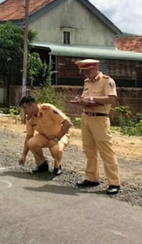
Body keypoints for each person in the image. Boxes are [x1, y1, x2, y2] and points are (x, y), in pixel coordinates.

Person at [72, 59, 121, 195]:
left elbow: (111, 99)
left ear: (95, 68)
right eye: (84, 72)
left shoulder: (107, 81)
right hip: (86, 117)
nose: (85, 74)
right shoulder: (87, 83)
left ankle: (114, 182)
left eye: (87, 71)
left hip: (100, 118)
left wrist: (92, 100)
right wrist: (81, 102)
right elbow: (86, 98)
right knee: (89, 150)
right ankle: (91, 178)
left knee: (106, 151)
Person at [18, 96, 72, 176]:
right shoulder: (30, 118)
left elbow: (68, 123)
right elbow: (29, 136)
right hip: (45, 136)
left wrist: (56, 139)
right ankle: (42, 165)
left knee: (56, 149)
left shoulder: (48, 109)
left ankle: (57, 166)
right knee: (31, 143)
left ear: (32, 105)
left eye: (25, 108)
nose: (24, 111)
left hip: (60, 135)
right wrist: (24, 155)